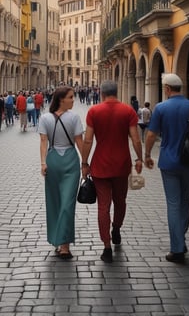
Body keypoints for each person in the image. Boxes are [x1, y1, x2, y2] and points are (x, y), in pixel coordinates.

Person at [144, 73, 189, 263]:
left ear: (166, 88)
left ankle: (177, 247)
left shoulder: (161, 108)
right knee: (184, 202)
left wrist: (147, 155)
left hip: (168, 162)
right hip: (188, 163)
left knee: (173, 204)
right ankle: (180, 239)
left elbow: (150, 135)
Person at [81, 80, 143, 263]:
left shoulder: (94, 111)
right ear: (116, 92)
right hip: (122, 164)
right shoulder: (128, 111)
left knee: (103, 206)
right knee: (120, 201)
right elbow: (135, 138)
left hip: (100, 165)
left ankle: (106, 246)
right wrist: (139, 158)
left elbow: (88, 140)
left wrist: (84, 163)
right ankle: (116, 228)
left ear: (101, 93)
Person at [38, 86, 84, 259]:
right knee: (65, 203)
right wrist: (85, 162)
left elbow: (44, 142)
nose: (73, 100)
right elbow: (79, 142)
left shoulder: (45, 118)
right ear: (61, 99)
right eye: (71, 97)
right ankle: (63, 244)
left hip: (53, 159)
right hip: (70, 160)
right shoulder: (74, 118)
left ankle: (61, 242)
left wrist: (43, 162)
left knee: (58, 203)